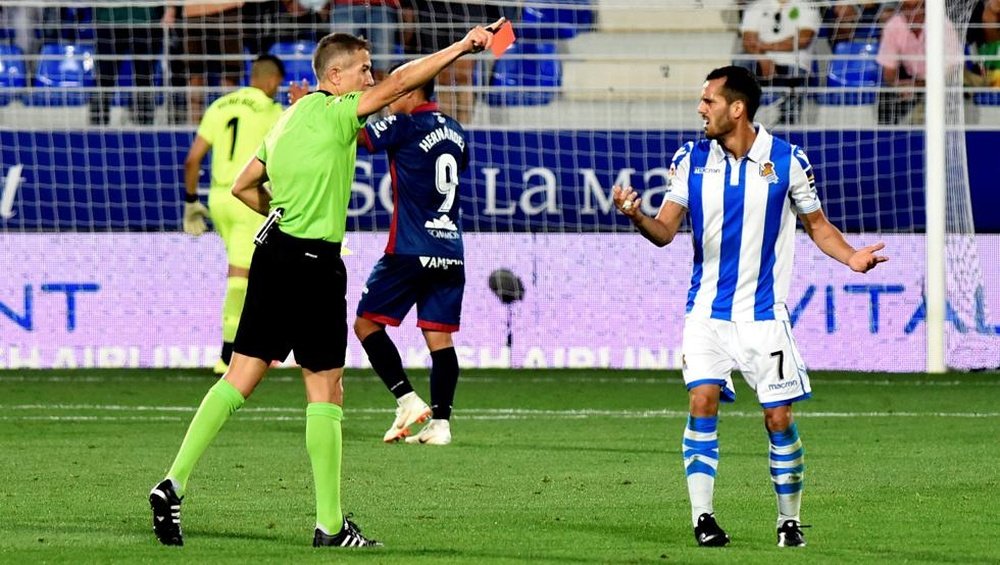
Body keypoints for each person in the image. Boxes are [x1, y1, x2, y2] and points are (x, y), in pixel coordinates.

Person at [148, 19, 500, 548]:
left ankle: (172, 483)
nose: (370, 76)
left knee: (239, 378)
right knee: (326, 388)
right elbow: (403, 83)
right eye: (362, 69)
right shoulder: (338, 114)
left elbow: (245, 185)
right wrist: (464, 45)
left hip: (273, 252)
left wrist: (280, 214)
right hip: (314, 265)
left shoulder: (288, 117)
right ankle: (330, 525)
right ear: (334, 77)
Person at [612, 65, 887, 548]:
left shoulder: (786, 159)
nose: (700, 108)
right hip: (706, 315)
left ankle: (789, 520)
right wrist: (636, 214)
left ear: (736, 108)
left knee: (778, 418)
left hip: (763, 318)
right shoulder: (691, 158)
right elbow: (664, 232)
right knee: (702, 400)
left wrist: (852, 257)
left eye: (709, 101)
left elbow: (818, 225)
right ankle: (703, 518)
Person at [354, 69, 468, 446]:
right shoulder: (456, 130)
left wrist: (317, 107)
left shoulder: (401, 125)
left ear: (412, 91)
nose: (389, 96)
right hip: (450, 250)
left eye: (395, 90)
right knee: (440, 340)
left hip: (409, 248)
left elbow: (354, 137)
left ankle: (406, 399)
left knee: (366, 325)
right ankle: (441, 425)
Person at [181, 54, 287, 376]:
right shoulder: (272, 111)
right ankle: (228, 357)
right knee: (242, 279)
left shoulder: (220, 106)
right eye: (278, 84)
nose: (277, 89)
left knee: (255, 270)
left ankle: (257, 346)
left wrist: (190, 201)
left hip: (217, 197)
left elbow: (192, 160)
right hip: (248, 196)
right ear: (270, 80)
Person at [875, 0, 962, 124]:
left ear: (925, 7)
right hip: (911, 80)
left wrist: (919, 85)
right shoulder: (893, 26)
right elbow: (889, 71)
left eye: (915, 7)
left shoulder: (942, 24)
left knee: (945, 94)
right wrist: (899, 85)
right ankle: (887, 137)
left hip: (942, 81)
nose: (911, 12)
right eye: (906, 7)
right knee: (885, 98)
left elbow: (953, 68)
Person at [739, 0, 820, 124]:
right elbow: (748, 40)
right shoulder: (756, 6)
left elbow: (803, 39)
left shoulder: (806, 7)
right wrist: (763, 59)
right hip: (759, 61)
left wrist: (765, 46)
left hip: (793, 63)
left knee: (795, 73)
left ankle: (787, 118)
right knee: (741, 63)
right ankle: (743, 118)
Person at [89, 4, 172, 126]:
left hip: (144, 19)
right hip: (109, 19)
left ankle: (144, 127)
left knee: (144, 78)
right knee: (104, 77)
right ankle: (97, 128)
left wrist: (170, 9)